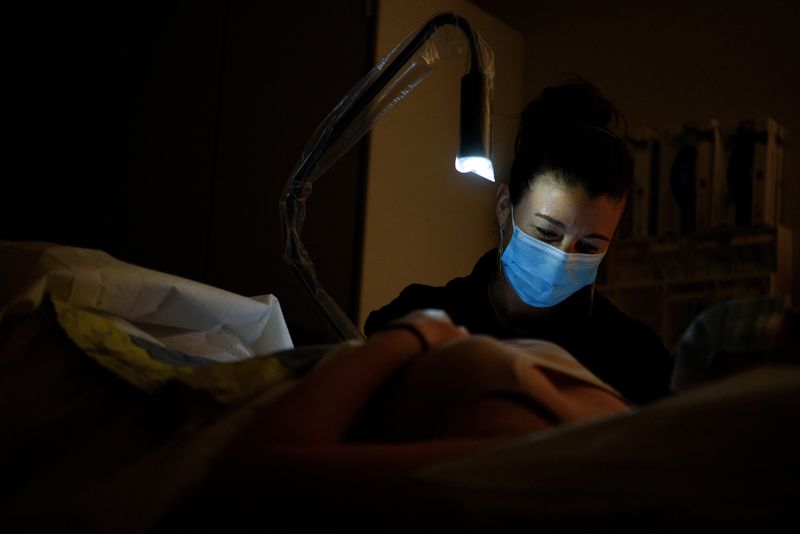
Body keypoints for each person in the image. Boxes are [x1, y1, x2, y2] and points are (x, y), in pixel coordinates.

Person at [365, 77, 674, 405]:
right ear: (504, 206)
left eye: (589, 246)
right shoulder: (420, 319)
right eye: (546, 233)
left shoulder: (635, 358)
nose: (561, 258)